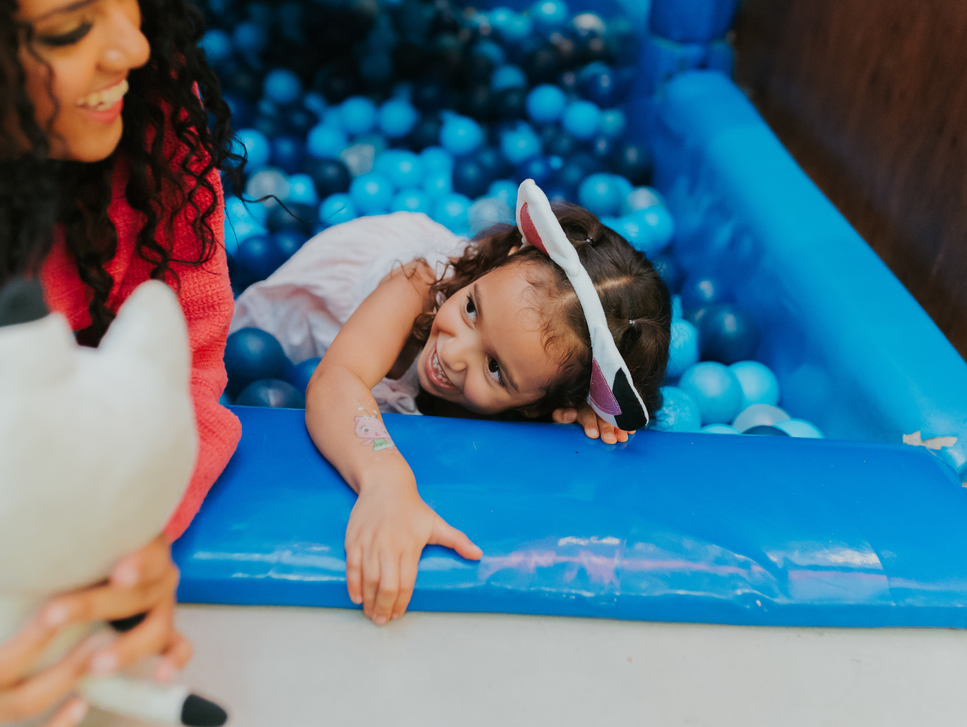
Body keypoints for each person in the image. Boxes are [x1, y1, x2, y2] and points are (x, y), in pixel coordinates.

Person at [0, 0, 241, 724]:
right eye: (69, 28)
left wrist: (121, 537)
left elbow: (189, 363)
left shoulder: (147, 121)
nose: (134, 45)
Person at [232, 183, 671, 628]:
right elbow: (335, 378)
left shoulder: (548, 386)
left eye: (496, 368)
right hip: (335, 315)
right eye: (472, 310)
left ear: (543, 405)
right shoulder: (417, 283)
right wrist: (385, 481)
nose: (455, 354)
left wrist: (577, 412)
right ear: (496, 267)